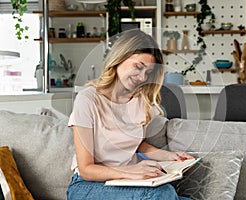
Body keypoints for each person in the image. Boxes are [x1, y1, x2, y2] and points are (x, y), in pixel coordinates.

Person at [67, 29, 193, 200]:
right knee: (161, 194)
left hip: (126, 183)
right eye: (138, 67)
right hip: (88, 185)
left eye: (147, 73)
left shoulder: (141, 101)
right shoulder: (88, 99)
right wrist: (129, 172)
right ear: (119, 58)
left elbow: (137, 144)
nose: (142, 77)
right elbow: (86, 169)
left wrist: (170, 156)